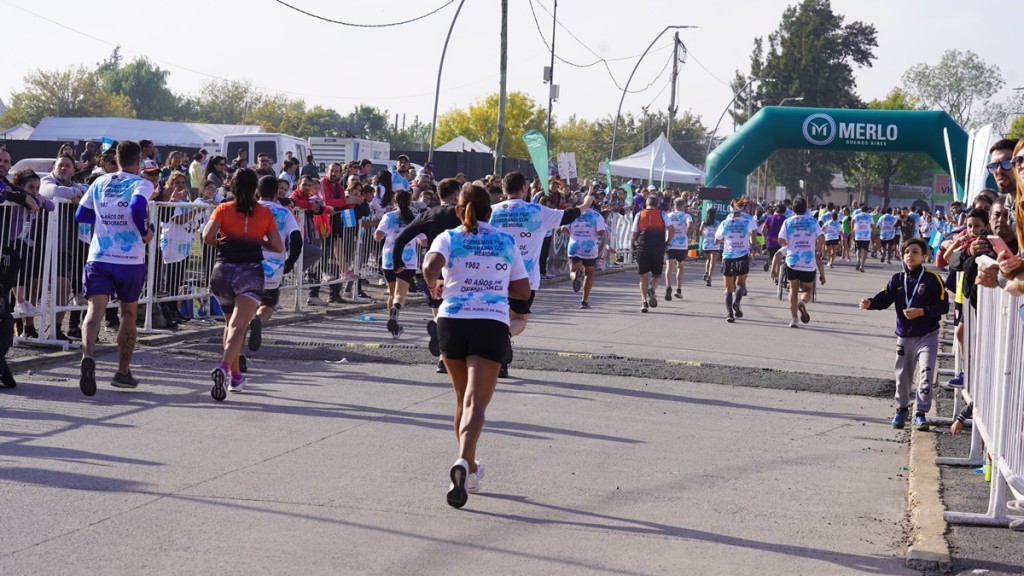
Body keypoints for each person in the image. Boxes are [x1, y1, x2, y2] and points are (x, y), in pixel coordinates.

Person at [422, 184, 530, 508]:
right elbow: (523, 291)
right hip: (490, 322)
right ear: (490, 212)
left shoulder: (449, 237)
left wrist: (435, 284)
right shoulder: (505, 240)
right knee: (476, 405)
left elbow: (429, 267)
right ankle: (462, 462)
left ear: (459, 210)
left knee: (461, 399)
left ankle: (468, 467)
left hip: (452, 320)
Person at [489, 172, 593, 377]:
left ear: (503, 190)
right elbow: (570, 214)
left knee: (496, 318)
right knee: (519, 318)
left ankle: (498, 357)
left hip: (494, 276)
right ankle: (504, 338)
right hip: (524, 278)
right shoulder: (537, 211)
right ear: (524, 189)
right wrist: (586, 203)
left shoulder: (492, 211)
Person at [74, 141, 156, 396]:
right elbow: (136, 207)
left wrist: (103, 221)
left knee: (94, 311)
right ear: (139, 159)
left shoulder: (99, 181)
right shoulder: (142, 183)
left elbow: (80, 215)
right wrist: (145, 232)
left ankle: (88, 355)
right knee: (128, 315)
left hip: (99, 255)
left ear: (117, 158)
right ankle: (122, 372)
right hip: (129, 259)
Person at [202, 168, 283, 400]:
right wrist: (260, 240)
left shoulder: (222, 209)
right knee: (239, 327)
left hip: (222, 271)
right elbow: (277, 246)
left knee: (229, 325)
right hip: (249, 273)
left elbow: (207, 238)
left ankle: (235, 375)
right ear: (254, 189)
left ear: (233, 188)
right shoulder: (264, 213)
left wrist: (224, 241)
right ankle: (224, 368)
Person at [859, 238, 949, 431]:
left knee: (926, 373)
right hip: (904, 337)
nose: (910, 255)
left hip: (927, 336)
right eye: (907, 252)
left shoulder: (932, 279)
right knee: (902, 376)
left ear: (924, 256)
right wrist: (870, 303)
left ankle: (920, 413)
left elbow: (943, 306)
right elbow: (884, 298)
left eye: (915, 252)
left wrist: (922, 311)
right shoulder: (897, 279)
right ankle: (901, 409)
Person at [392, 178, 463, 374]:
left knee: (439, 312)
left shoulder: (429, 214)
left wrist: (397, 262)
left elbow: (402, 237)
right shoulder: (462, 214)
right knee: (456, 315)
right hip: (458, 270)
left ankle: (442, 354)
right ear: (457, 195)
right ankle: (447, 354)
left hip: (432, 270)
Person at [248, 175, 302, 352]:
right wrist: (291, 261)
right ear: (276, 194)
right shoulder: (284, 212)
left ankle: (238, 349)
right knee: (268, 304)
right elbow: (296, 239)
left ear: (257, 191)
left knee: (245, 301)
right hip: (273, 265)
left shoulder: (249, 209)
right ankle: (258, 320)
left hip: (247, 262)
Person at [374, 190, 425, 338]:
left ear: (394, 202)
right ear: (410, 202)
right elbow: (423, 241)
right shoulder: (416, 218)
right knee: (400, 295)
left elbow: (378, 236)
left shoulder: (388, 217)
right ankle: (396, 309)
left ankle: (394, 327)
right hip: (408, 259)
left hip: (389, 259)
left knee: (392, 293)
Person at [778, 196, 825, 328]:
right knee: (807, 289)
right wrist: (818, 248)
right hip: (808, 261)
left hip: (792, 260)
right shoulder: (813, 221)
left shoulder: (788, 222)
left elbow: (780, 240)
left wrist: (787, 242)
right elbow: (821, 236)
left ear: (792, 209)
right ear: (806, 209)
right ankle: (803, 302)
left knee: (793, 289)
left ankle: (794, 319)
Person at [715, 198, 759, 323]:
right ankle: (737, 302)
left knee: (728, 289)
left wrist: (723, 239)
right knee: (741, 283)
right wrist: (753, 243)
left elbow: (717, 239)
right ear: (742, 210)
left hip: (728, 257)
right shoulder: (747, 221)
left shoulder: (725, 223)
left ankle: (729, 313)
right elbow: (754, 231)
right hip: (742, 256)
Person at [562, 198, 606, 309]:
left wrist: (573, 235)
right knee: (589, 274)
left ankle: (575, 276)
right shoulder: (597, 216)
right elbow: (601, 232)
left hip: (575, 246)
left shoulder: (573, 213)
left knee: (573, 270)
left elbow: (564, 229)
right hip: (590, 248)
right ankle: (584, 300)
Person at [632, 195, 673, 312]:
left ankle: (644, 302)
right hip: (658, 247)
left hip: (643, 247)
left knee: (643, 277)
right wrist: (667, 242)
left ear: (646, 204)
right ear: (657, 204)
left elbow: (633, 234)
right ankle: (652, 290)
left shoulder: (639, 214)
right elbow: (671, 228)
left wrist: (636, 241)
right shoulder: (663, 214)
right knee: (657, 275)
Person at [664, 197, 693, 301]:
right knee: (680, 266)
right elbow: (690, 225)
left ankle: (668, 286)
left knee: (669, 266)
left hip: (670, 243)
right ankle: (678, 289)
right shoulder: (686, 215)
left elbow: (665, 227)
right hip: (682, 245)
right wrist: (688, 234)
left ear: (674, 206)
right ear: (683, 206)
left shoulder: (668, 215)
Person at [699, 208, 720, 287]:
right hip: (714, 244)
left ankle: (706, 272)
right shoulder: (718, 223)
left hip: (706, 244)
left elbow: (700, 233)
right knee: (713, 262)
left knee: (708, 259)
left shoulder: (704, 222)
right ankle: (709, 277)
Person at [852, 203, 875, 272]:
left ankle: (858, 261)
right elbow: (873, 225)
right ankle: (862, 265)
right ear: (867, 210)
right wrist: (871, 229)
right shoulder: (870, 216)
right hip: (866, 236)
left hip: (858, 235)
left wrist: (852, 230)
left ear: (861, 210)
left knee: (858, 249)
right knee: (865, 251)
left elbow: (852, 221)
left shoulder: (857, 216)